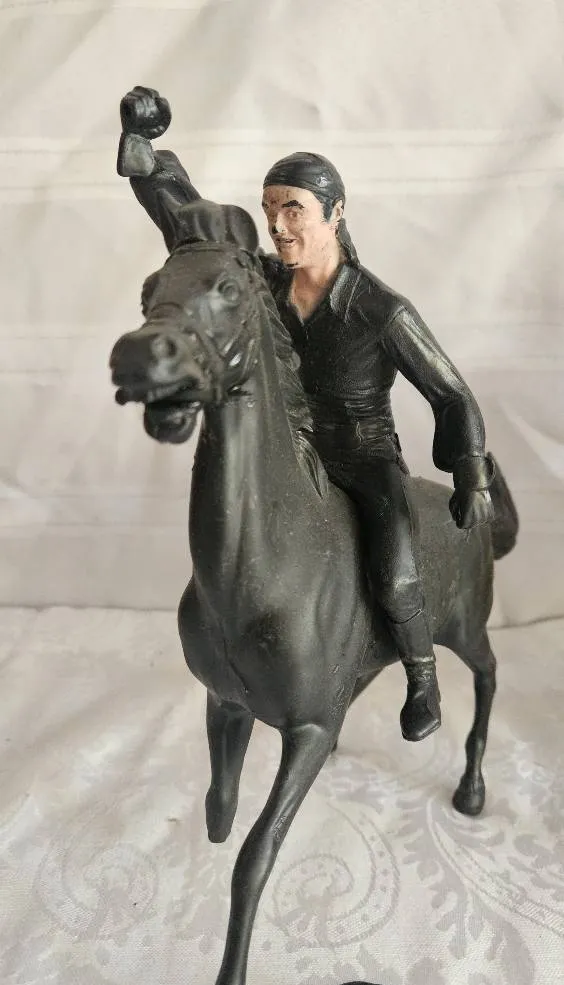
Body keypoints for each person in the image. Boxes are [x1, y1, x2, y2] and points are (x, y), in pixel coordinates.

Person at [117, 87, 495, 743]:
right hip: (289, 451)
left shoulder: (381, 309)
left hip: (365, 459)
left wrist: (471, 474)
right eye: (270, 210)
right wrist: (147, 159)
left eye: (293, 208)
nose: (278, 225)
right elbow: (198, 230)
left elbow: (451, 393)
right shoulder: (264, 282)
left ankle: (422, 675)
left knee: (396, 572)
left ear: (336, 212)